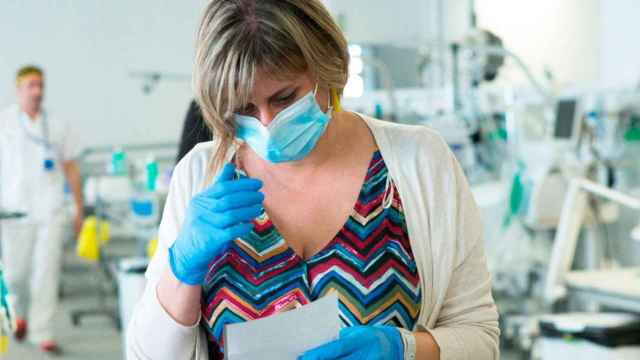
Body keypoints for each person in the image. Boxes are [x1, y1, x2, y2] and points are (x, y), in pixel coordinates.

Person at [127, 1, 499, 359]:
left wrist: (407, 350)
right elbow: (145, 355)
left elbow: (481, 339)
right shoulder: (199, 176)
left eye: (285, 98)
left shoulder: (419, 163)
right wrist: (182, 271)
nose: (267, 124)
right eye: (244, 109)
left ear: (328, 67)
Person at [0, 65, 84, 353]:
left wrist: (79, 210)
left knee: (46, 273)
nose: (37, 91)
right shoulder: (4, 122)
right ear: (19, 88)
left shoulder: (58, 125)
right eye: (31, 85)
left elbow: (72, 167)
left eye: (41, 85)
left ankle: (42, 331)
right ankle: (18, 315)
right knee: (15, 274)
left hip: (50, 211)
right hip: (14, 212)